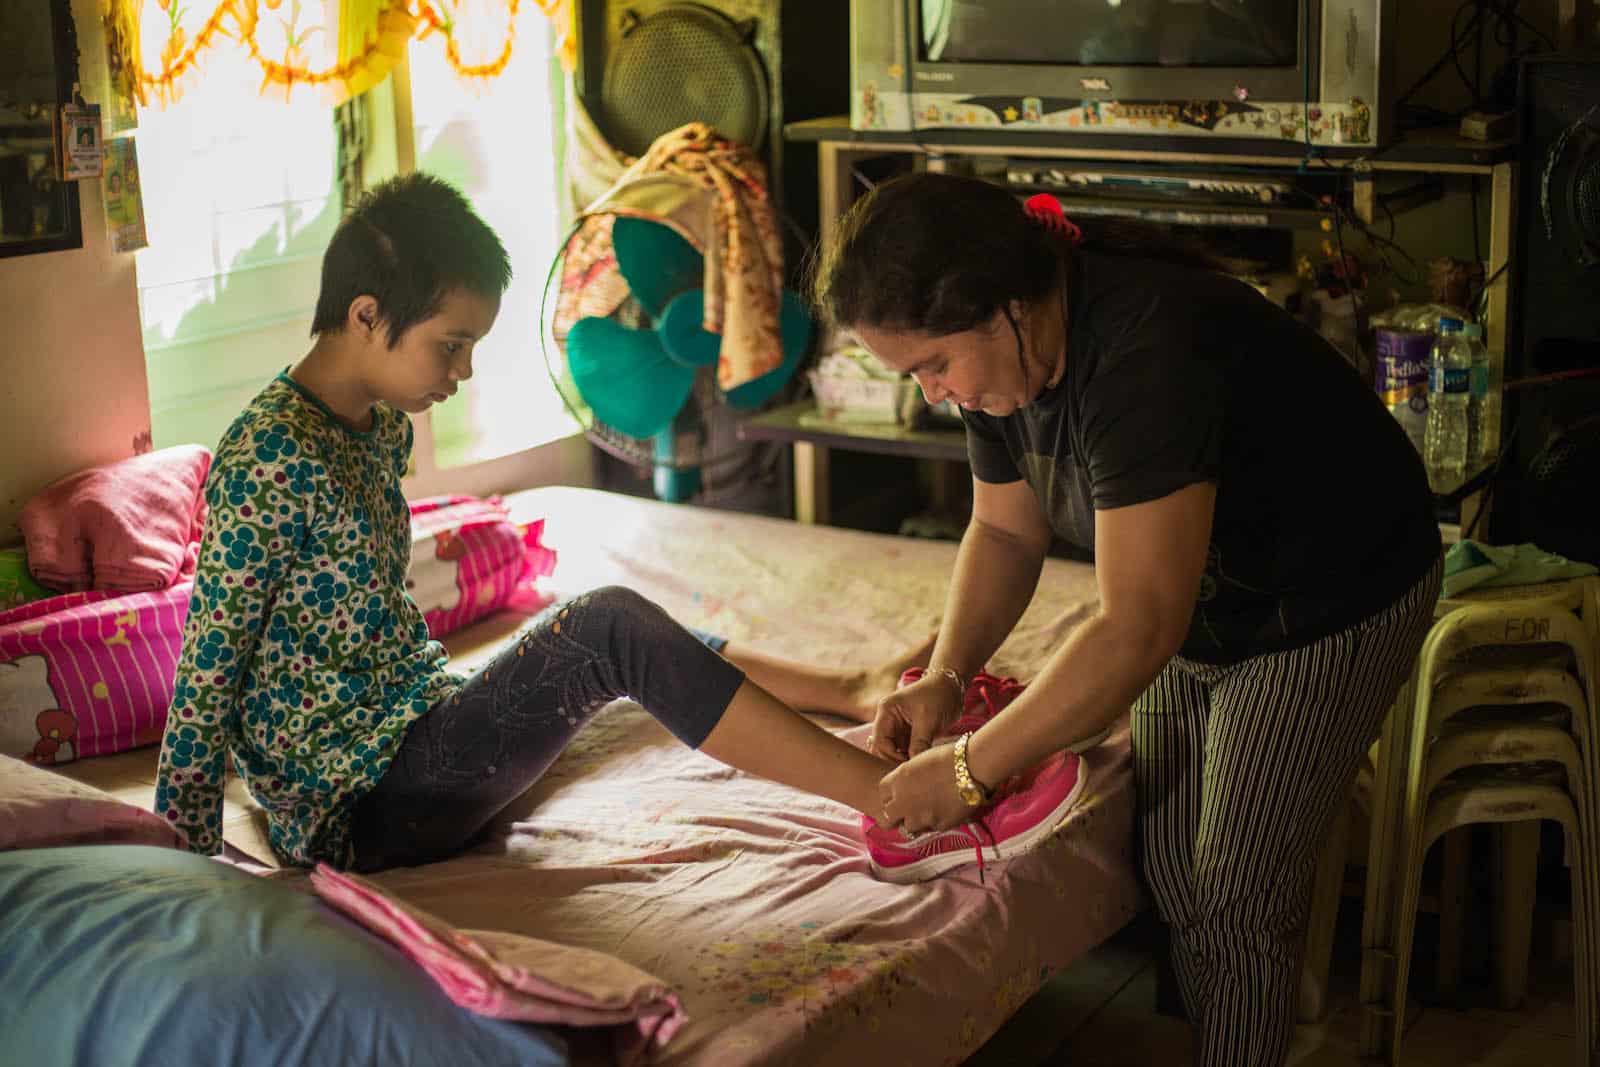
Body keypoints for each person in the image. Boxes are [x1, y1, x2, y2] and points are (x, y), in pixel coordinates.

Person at [814, 172, 1442, 1067]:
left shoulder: (1148, 349)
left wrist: (966, 767)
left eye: (933, 366)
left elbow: (1137, 626)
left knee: (1234, 889)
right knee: (1175, 866)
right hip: (1202, 598)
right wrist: (947, 676)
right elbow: (1001, 529)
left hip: (1336, 592)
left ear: (1005, 308)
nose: (933, 394)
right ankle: (1245, 1025)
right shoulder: (1006, 368)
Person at [152, 173, 931, 874]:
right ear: (366, 315)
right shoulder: (268, 454)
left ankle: (849, 685)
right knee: (607, 628)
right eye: (449, 346)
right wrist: (178, 862)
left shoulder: (376, 424)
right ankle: (896, 797)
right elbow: (210, 660)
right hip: (357, 803)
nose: (461, 372)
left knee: (587, 628)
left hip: (411, 726)